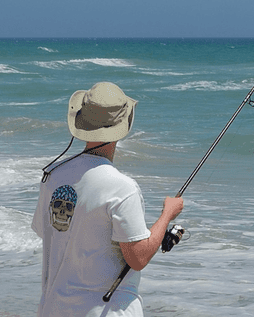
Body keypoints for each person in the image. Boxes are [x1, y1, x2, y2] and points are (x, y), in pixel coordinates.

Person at [33, 82, 183, 317]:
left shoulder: (52, 175)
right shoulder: (122, 187)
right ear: (124, 125)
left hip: (54, 309)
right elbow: (138, 258)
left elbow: (53, 235)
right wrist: (167, 214)